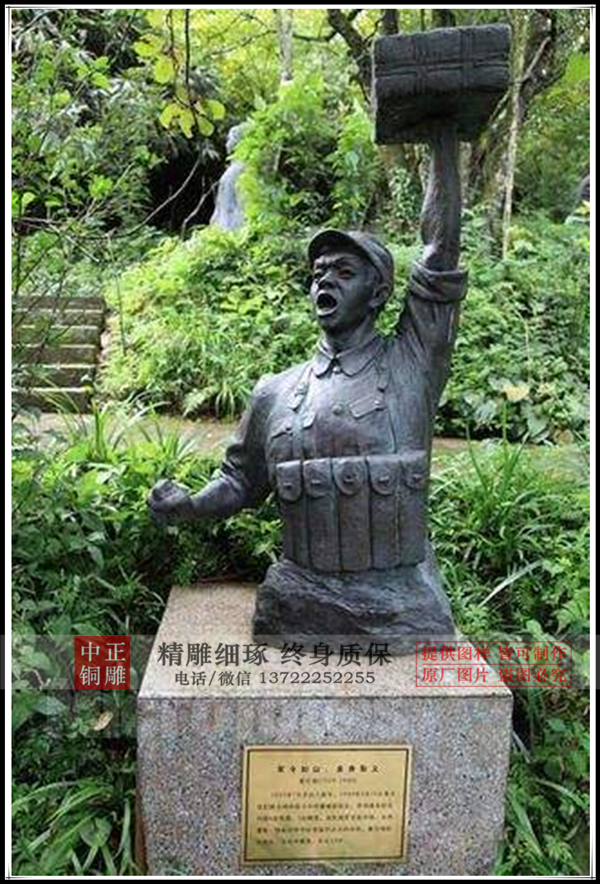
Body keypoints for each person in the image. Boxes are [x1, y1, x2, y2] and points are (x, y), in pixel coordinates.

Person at [148, 127, 468, 654]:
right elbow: (240, 481)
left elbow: (440, 253)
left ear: (378, 293)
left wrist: (442, 138)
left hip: (402, 604)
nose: (325, 281)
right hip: (298, 597)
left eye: (344, 271)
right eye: (318, 273)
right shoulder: (275, 392)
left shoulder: (411, 364)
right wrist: (190, 506)